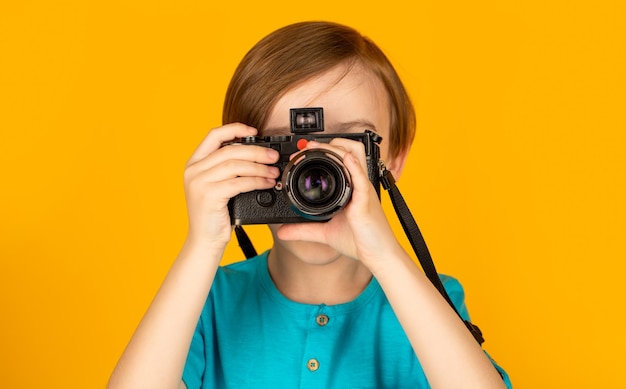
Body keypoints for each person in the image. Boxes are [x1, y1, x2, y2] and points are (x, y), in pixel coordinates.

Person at [108, 21, 512, 388]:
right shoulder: (206, 300)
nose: (314, 173)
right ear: (237, 157)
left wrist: (386, 256)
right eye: (284, 146)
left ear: (392, 161)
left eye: (348, 144)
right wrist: (203, 245)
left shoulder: (423, 302)